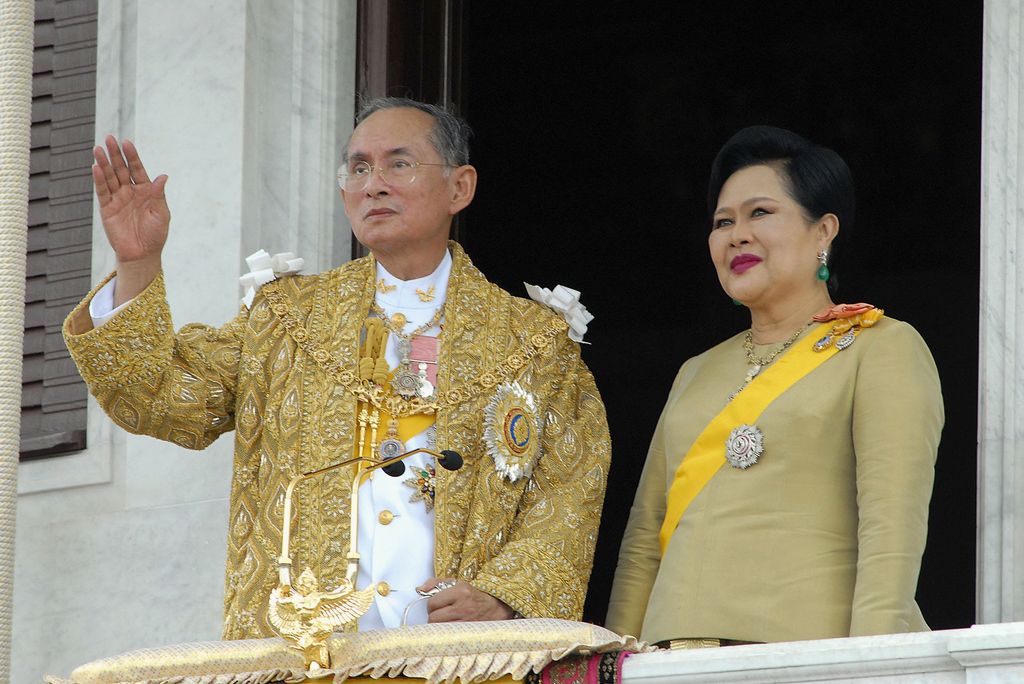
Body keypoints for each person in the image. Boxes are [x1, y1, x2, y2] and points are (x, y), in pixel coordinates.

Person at [63, 97, 610, 639]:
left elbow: (569, 490)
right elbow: (160, 397)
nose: (374, 184)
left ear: (459, 187)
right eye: (359, 168)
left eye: (399, 163)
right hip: (306, 656)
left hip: (462, 657)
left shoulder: (533, 342)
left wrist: (503, 598)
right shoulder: (285, 318)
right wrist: (137, 263)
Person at [605, 125, 943, 647]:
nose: (736, 234)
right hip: (670, 659)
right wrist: (616, 656)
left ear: (823, 231)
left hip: (804, 656)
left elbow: (890, 533)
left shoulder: (881, 347)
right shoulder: (696, 370)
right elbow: (644, 540)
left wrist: (874, 661)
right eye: (723, 222)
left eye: (760, 213)